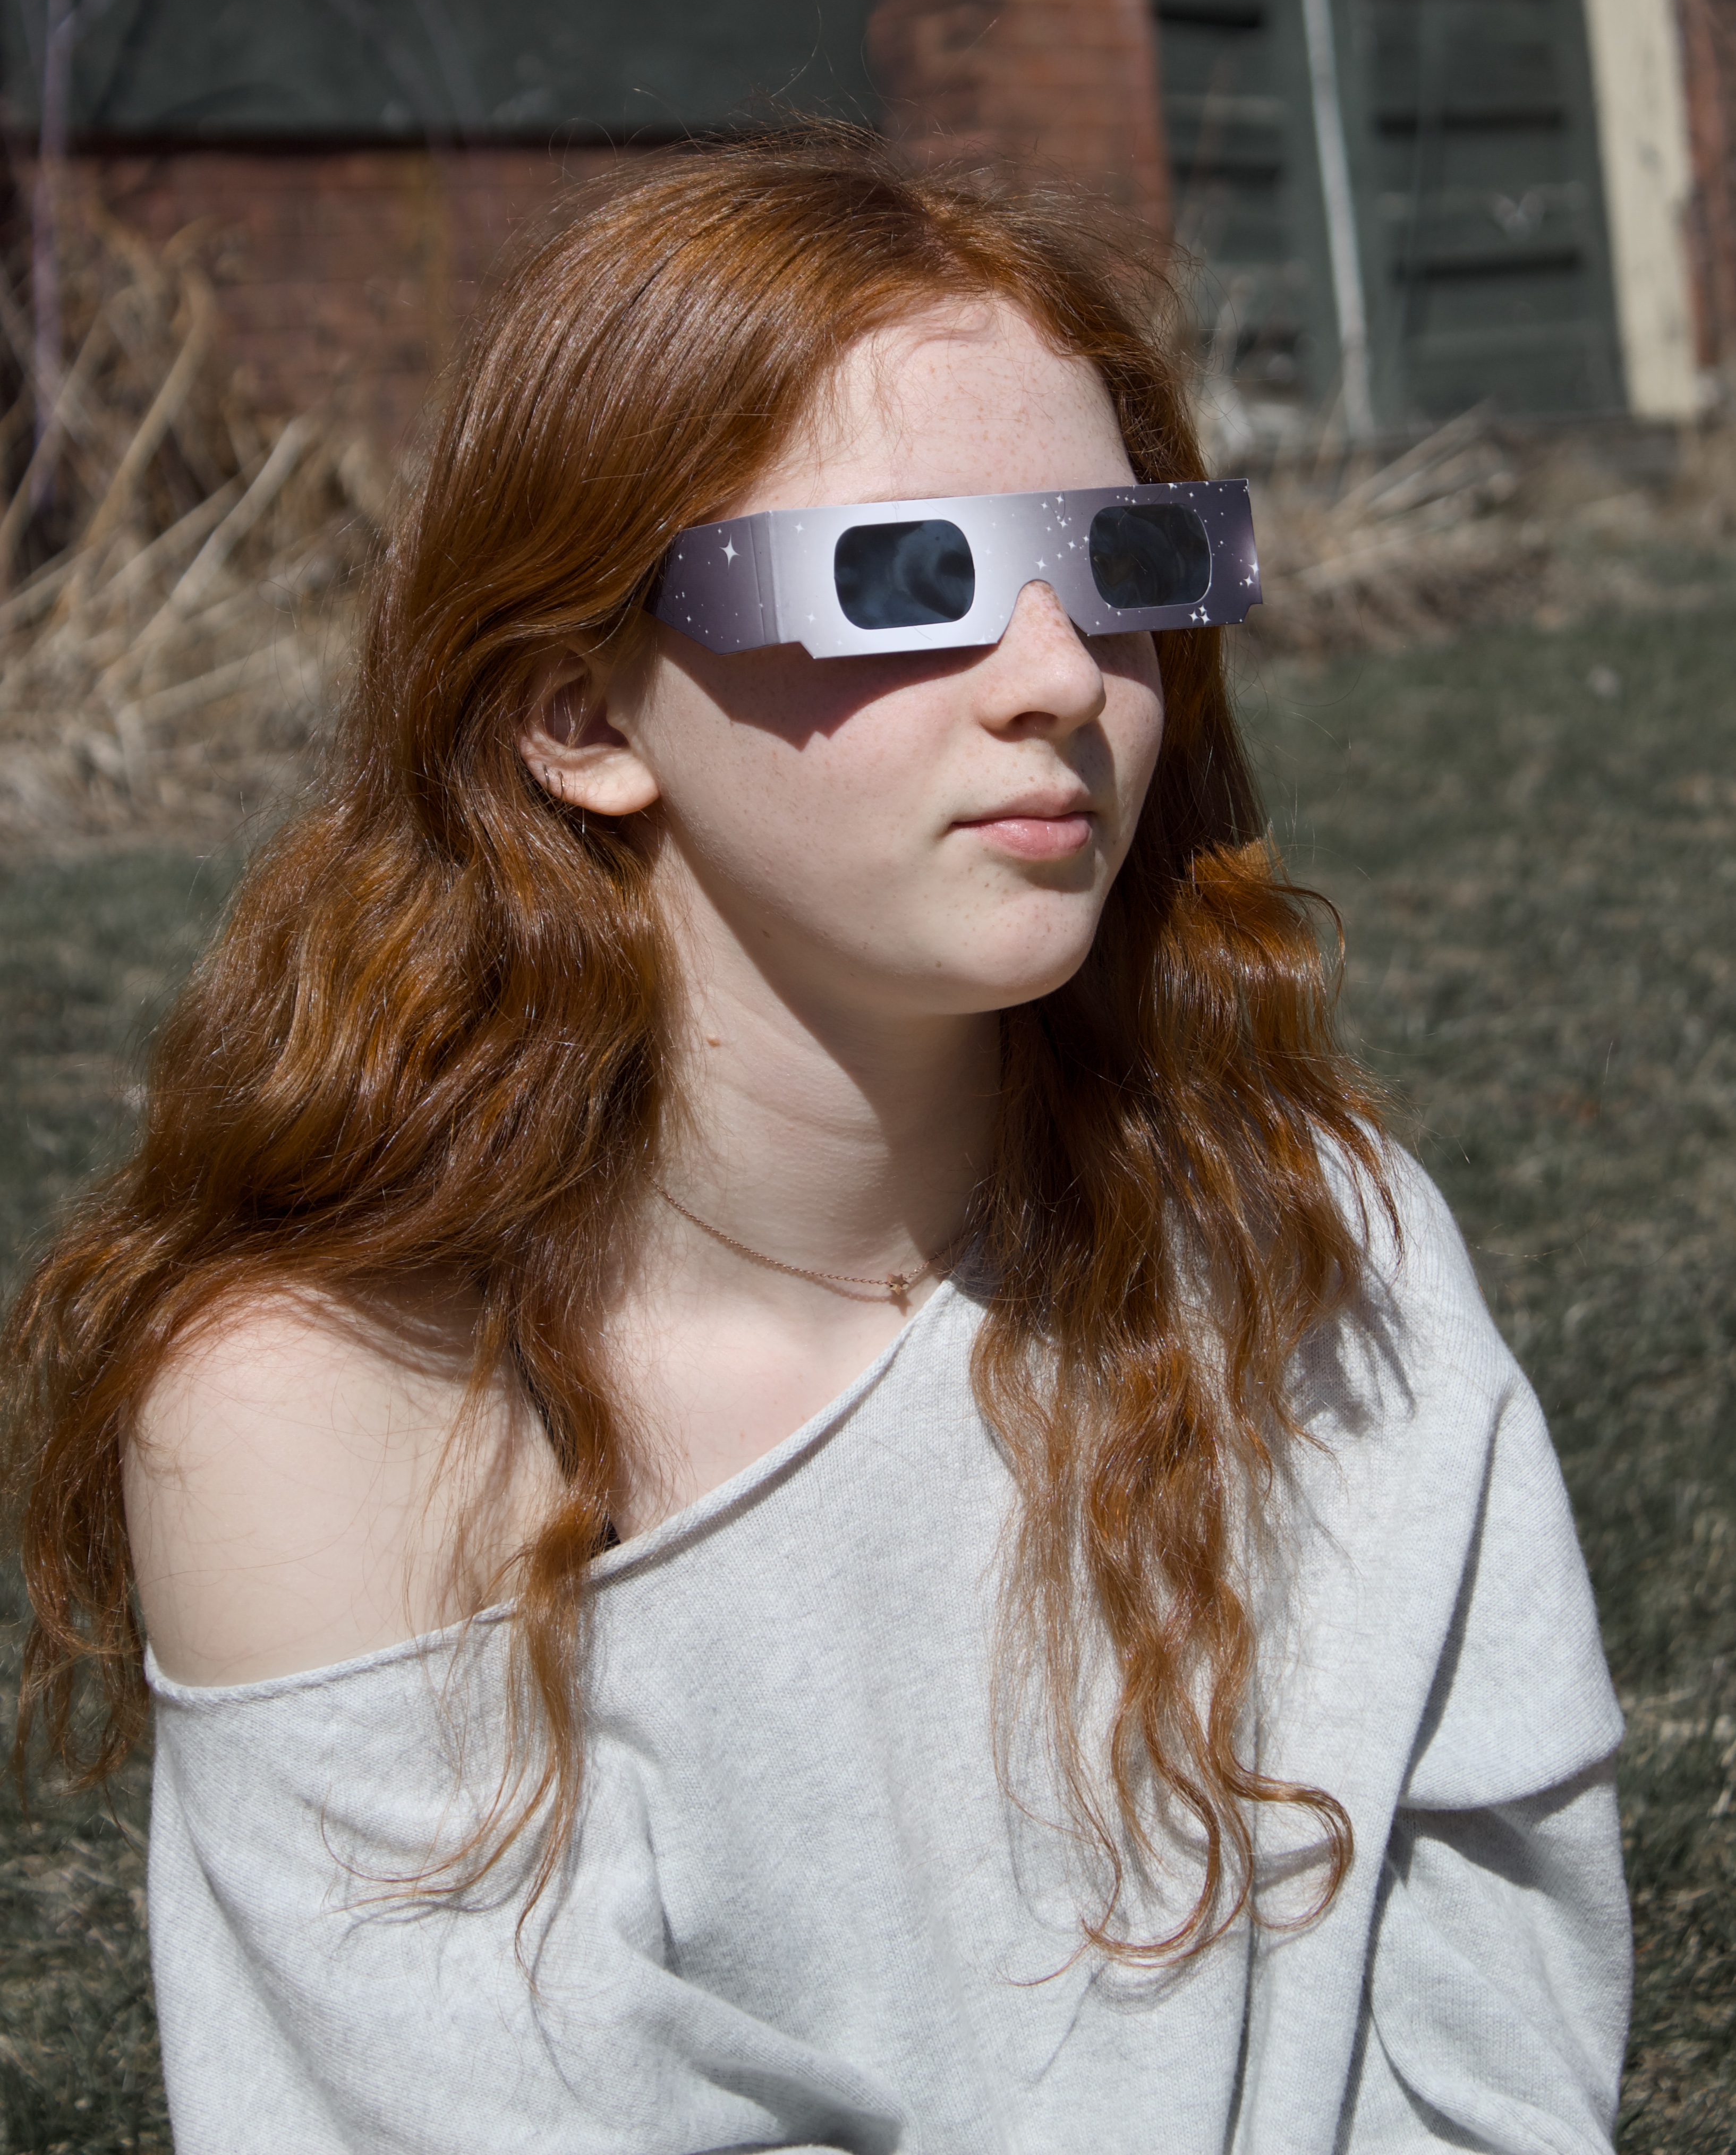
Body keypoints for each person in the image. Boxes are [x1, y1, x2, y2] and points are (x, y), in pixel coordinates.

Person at [5, 132, 1629, 2153]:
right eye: (900, 578)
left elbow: (1489, 2052)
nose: (1060, 681)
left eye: (1122, 564)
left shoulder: (1322, 1252)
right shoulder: (333, 1418)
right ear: (579, 718)